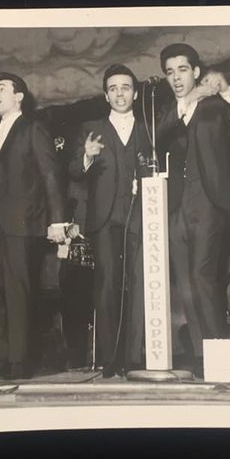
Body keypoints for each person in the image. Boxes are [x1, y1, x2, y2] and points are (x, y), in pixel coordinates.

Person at [156, 43, 230, 372]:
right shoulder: (168, 111)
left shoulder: (216, 105)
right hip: (175, 206)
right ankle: (202, 357)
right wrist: (187, 101)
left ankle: (222, 360)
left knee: (202, 276)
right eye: (170, 72)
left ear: (196, 72)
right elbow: (156, 137)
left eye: (182, 70)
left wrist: (226, 92)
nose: (176, 78)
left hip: (209, 202)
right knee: (186, 284)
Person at [0, 72, 67, 380]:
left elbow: (50, 174)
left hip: (23, 221)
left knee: (17, 291)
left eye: (2, 89)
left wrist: (57, 220)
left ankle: (19, 361)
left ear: (19, 97)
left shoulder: (33, 127)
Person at [67, 64, 152, 377]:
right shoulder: (91, 128)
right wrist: (87, 156)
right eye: (113, 88)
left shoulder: (148, 129)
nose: (119, 94)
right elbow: (73, 170)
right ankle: (110, 358)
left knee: (138, 285)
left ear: (135, 93)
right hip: (104, 219)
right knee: (106, 286)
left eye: (125, 87)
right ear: (106, 95)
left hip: (140, 217)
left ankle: (134, 356)